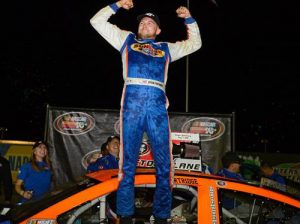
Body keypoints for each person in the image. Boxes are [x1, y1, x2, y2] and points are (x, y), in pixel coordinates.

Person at [90, 0, 201, 223]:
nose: (146, 24)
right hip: (132, 104)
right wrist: (117, 5)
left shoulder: (166, 48)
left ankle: (161, 216)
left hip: (157, 106)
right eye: (143, 22)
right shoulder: (126, 40)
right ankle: (126, 215)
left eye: (151, 23)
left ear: (158, 30)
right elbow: (96, 21)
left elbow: (195, 43)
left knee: (164, 164)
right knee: (127, 163)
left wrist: (189, 19)